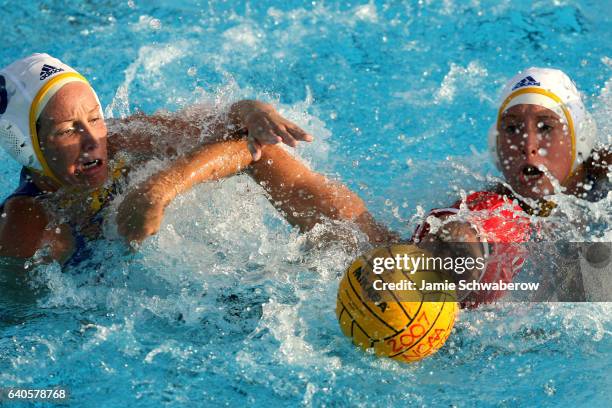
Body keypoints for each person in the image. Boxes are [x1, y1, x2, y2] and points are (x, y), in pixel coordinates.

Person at [0, 53, 319, 264]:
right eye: (69, 130)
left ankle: (360, 243)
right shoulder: (27, 226)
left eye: (95, 118)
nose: (93, 140)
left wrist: (158, 190)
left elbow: (231, 130)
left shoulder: (119, 139)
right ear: (27, 143)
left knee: (270, 154)